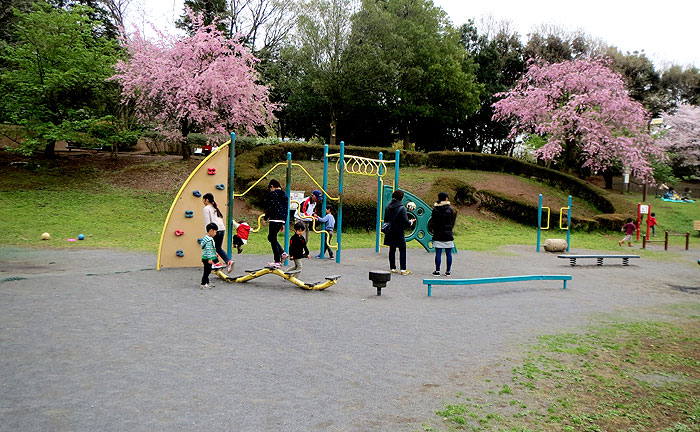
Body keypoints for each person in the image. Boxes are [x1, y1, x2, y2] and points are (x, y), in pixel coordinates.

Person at [382, 189, 414, 275]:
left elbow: (386, 220)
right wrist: (410, 222)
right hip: (399, 231)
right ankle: (403, 270)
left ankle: (393, 268)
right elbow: (405, 222)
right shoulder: (402, 208)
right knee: (402, 249)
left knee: (392, 249)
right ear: (401, 198)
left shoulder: (388, 206)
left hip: (390, 231)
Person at [202, 193, 234, 273]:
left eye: (203, 199)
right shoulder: (214, 207)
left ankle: (216, 263)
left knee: (210, 247)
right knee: (218, 248)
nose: (203, 201)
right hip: (222, 229)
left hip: (214, 230)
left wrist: (208, 234)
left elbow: (207, 222)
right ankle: (228, 262)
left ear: (207, 200)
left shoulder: (206, 208)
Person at [428, 192, 457, 276]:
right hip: (448, 233)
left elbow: (433, 221)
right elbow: (452, 221)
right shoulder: (450, 209)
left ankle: (437, 271)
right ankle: (448, 271)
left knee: (438, 253)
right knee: (449, 253)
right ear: (446, 198)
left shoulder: (435, 209)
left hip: (438, 233)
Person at [262, 179, 289, 267]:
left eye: (270, 188)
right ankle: (282, 253)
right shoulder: (285, 195)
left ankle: (277, 260)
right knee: (271, 237)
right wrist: (284, 222)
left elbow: (270, 207)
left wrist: (265, 218)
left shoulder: (273, 194)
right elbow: (286, 210)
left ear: (272, 186)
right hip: (281, 219)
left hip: (274, 219)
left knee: (272, 239)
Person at [199, 223, 219, 289]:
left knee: (208, 270)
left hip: (206, 257)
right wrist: (210, 258)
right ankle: (203, 283)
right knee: (206, 271)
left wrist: (214, 254)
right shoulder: (209, 240)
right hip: (207, 258)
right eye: (215, 232)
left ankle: (207, 282)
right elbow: (208, 249)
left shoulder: (206, 238)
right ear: (211, 231)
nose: (215, 233)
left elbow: (211, 249)